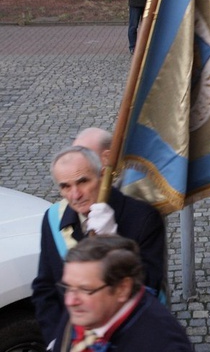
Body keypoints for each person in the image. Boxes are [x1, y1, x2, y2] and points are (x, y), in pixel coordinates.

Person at [32, 146, 166, 345]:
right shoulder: (52, 219)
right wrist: (55, 339)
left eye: (83, 181)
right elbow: (45, 287)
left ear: (103, 176)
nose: (75, 195)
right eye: (65, 187)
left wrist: (114, 242)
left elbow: (149, 287)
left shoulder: (144, 218)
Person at [50, 235, 192, 351]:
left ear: (122, 289)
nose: (70, 301)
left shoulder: (163, 344)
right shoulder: (84, 310)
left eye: (86, 290)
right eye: (68, 287)